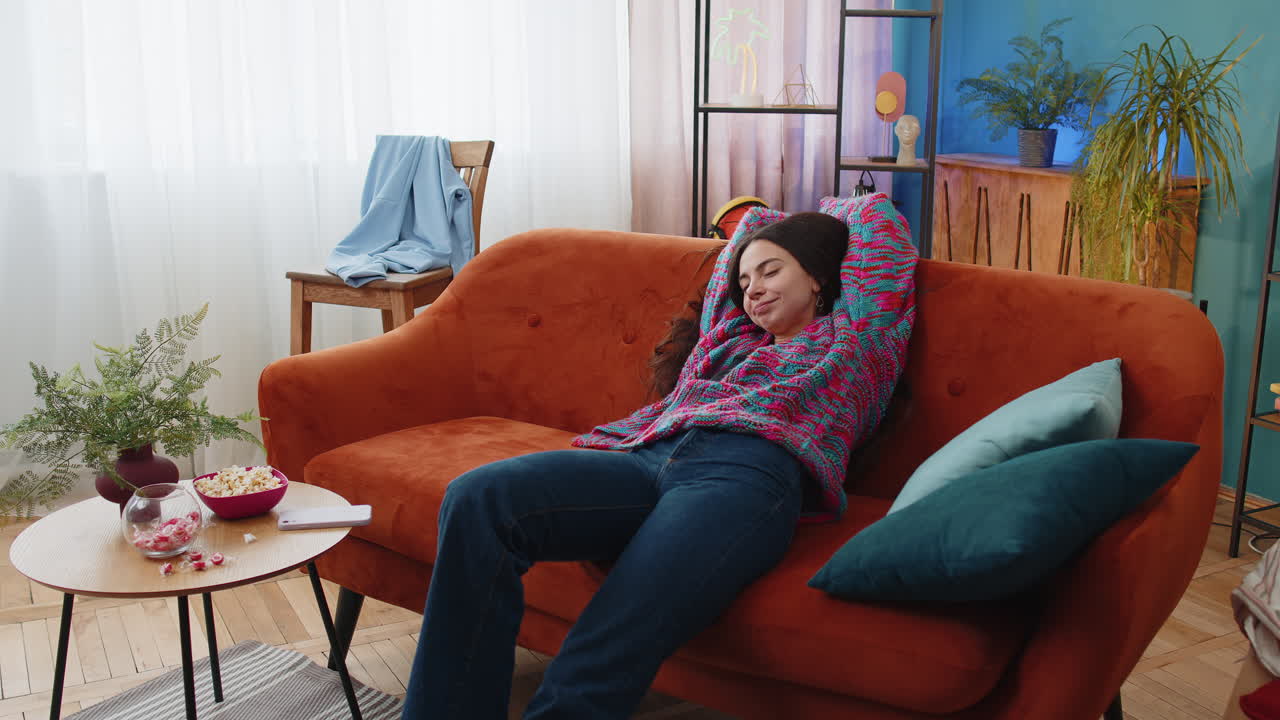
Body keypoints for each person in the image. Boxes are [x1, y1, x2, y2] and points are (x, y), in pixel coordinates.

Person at [400, 192, 919, 720]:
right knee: (478, 498)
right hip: (647, 454)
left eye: (771, 272)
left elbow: (876, 217)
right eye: (745, 281)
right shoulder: (729, 338)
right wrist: (759, 244)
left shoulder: (856, 339)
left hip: (743, 476)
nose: (754, 290)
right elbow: (733, 265)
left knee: (615, 632)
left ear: (817, 275)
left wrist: (802, 224)